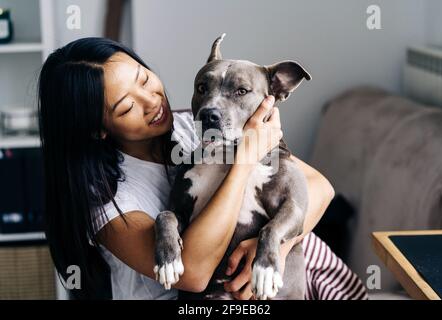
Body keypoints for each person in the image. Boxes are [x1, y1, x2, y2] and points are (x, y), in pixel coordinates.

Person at [38, 37, 367, 300]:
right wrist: (244, 161)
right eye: (127, 106)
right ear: (99, 129)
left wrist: (273, 250)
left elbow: (319, 188)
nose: (152, 101)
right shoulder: (107, 199)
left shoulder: (188, 124)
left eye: (144, 78)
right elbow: (192, 275)